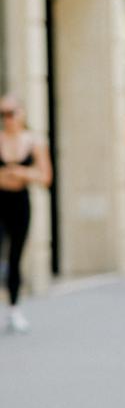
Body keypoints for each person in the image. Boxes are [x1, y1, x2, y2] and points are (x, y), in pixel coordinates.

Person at [0, 94, 53, 332]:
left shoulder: (34, 142)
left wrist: (20, 173)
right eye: (2, 115)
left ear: (21, 113)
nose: (7, 119)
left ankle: (14, 309)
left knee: (15, 257)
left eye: (10, 113)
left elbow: (45, 177)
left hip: (19, 203)